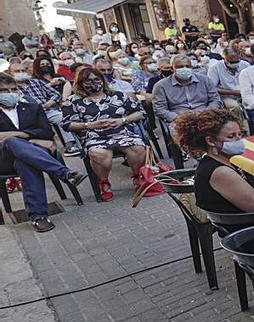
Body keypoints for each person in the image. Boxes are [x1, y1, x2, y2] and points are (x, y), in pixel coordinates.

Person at [0, 72, 87, 231]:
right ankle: (64, 173)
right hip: (4, 160)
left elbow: (46, 132)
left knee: (25, 162)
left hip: (34, 155)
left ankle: (38, 217)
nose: (10, 94)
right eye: (4, 91)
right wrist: (28, 137)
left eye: (13, 89)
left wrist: (22, 137)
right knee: (11, 141)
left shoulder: (33, 107)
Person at [62, 67, 147, 202]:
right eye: (88, 81)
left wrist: (122, 120)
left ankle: (138, 176)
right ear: (81, 83)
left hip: (122, 132)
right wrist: (89, 125)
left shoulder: (118, 95)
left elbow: (140, 112)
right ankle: (104, 182)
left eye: (97, 79)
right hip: (94, 136)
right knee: (99, 154)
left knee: (137, 148)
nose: (94, 83)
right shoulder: (73, 101)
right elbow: (67, 124)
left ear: (103, 80)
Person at [174, 107, 254, 214]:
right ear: (210, 141)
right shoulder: (220, 172)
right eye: (231, 136)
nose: (239, 140)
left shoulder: (222, 161)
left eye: (240, 134)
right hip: (249, 227)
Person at [21, 58, 80, 155]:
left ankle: (71, 145)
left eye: (22, 70)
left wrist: (48, 104)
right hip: (30, 114)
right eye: (17, 71)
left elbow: (56, 94)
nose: (21, 73)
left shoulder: (36, 82)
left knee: (62, 117)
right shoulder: (12, 88)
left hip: (47, 109)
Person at [152, 55, 222, 135]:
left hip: (205, 115)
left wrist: (208, 112)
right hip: (178, 119)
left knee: (219, 130)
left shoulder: (204, 80)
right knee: (182, 134)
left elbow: (215, 99)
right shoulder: (161, 85)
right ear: (172, 68)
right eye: (180, 67)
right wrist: (176, 117)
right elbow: (159, 108)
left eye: (188, 66)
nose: (185, 69)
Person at [207, 47, 249, 123]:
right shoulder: (215, 68)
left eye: (236, 61)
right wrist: (234, 92)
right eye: (231, 61)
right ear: (224, 58)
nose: (234, 63)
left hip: (246, 94)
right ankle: (241, 128)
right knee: (235, 107)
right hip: (227, 97)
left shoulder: (245, 65)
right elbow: (212, 88)